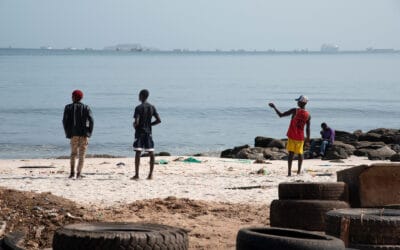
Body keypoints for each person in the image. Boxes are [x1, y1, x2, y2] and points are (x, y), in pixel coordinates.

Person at [269, 95, 311, 176]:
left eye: (298, 101)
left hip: (292, 136)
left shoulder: (295, 111)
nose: (297, 102)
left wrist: (274, 107)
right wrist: (308, 139)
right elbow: (308, 129)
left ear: (301, 102)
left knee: (291, 154)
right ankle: (298, 172)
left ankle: (289, 172)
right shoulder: (308, 115)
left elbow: (281, 115)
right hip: (300, 137)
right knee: (300, 154)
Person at [63, 90, 94, 179]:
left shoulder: (68, 107)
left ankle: (72, 172)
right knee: (82, 154)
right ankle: (79, 173)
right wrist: (89, 132)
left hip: (73, 134)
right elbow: (91, 121)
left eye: (72, 96)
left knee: (73, 153)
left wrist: (67, 132)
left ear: (73, 97)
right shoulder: (86, 107)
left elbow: (65, 121)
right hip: (84, 134)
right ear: (81, 98)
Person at [132, 89, 161, 180]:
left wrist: (134, 125)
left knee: (138, 152)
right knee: (151, 152)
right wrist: (149, 124)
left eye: (139, 95)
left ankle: (137, 175)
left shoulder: (138, 108)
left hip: (140, 132)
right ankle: (150, 174)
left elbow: (136, 122)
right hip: (148, 132)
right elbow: (159, 120)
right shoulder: (152, 107)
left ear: (141, 96)